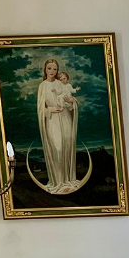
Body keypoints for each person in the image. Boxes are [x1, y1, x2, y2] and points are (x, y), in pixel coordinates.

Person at [36, 58, 79, 193]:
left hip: (65, 117)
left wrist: (71, 101)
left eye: (55, 69)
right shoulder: (42, 86)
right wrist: (50, 109)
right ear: (45, 69)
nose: (52, 71)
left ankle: (66, 180)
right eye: (49, 68)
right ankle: (58, 181)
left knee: (66, 146)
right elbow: (40, 108)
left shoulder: (61, 84)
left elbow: (70, 100)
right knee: (57, 148)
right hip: (52, 119)